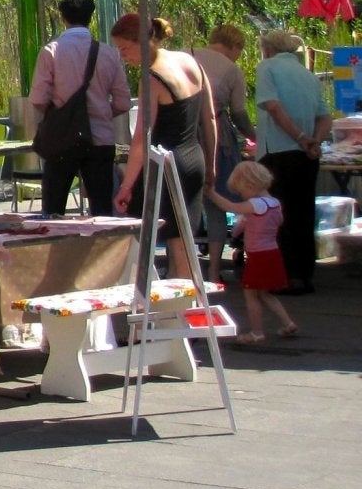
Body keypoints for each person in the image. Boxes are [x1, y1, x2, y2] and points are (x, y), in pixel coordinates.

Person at [109, 15, 216, 281]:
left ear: (143, 42)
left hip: (169, 164)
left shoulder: (152, 78)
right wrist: (212, 164)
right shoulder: (189, 61)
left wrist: (126, 186)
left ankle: (187, 312)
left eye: (125, 49)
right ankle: (185, 309)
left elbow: (141, 140)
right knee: (185, 237)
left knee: (178, 246)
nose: (124, 57)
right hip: (195, 158)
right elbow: (210, 118)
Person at [27, 0, 131, 218]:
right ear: (91, 17)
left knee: (53, 210)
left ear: (62, 17)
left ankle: (57, 253)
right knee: (102, 211)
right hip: (100, 138)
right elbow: (123, 102)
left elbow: (37, 99)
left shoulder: (51, 51)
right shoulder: (108, 53)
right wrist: (101, 112)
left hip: (61, 139)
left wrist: (62, 115)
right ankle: (102, 252)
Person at [255, 29, 329, 295]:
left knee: (279, 214)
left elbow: (272, 106)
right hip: (306, 154)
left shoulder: (267, 68)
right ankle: (304, 273)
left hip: (277, 149)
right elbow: (325, 116)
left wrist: (298, 136)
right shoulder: (307, 74)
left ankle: (284, 275)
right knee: (304, 212)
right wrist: (314, 141)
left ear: (268, 48)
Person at [194, 24, 256, 278]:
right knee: (218, 205)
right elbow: (239, 113)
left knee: (184, 204)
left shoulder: (187, 54)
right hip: (216, 137)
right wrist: (255, 136)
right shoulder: (232, 70)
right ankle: (215, 270)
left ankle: (184, 267)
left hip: (182, 133)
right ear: (235, 45)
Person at [225, 161, 298, 345]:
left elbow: (230, 207)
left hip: (257, 256)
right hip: (273, 253)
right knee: (266, 294)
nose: (242, 196)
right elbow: (279, 222)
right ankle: (288, 323)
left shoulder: (255, 204)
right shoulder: (275, 203)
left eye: (241, 191)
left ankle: (256, 332)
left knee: (250, 293)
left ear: (250, 185)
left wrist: (211, 194)